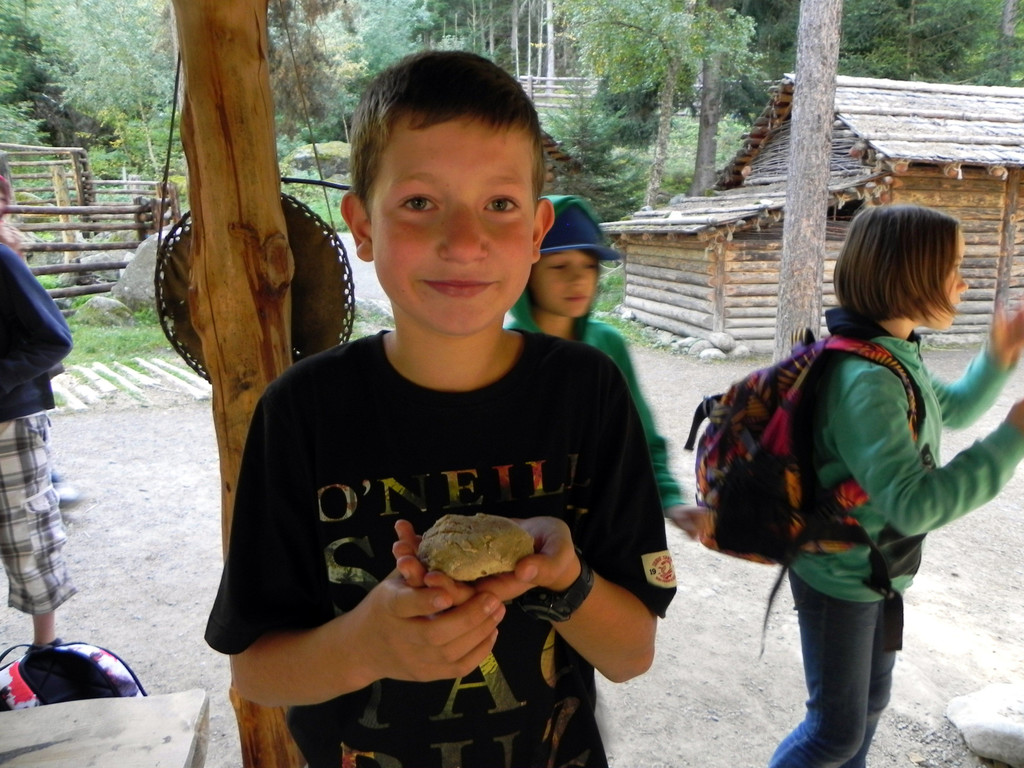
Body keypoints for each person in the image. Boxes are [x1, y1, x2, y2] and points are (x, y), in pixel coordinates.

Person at [204, 50, 676, 768]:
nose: (463, 241)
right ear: (362, 226)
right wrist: (366, 645)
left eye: (499, 204)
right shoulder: (302, 411)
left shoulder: (587, 392)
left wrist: (564, 578)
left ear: (537, 231)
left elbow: (631, 654)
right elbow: (258, 674)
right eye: (421, 203)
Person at [768, 203, 1024, 768]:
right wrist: (1011, 439)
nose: (963, 282)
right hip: (838, 577)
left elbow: (952, 408)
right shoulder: (868, 379)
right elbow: (911, 504)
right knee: (833, 734)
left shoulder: (891, 353)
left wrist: (997, 358)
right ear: (910, 277)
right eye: (953, 267)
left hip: (875, 570)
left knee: (868, 708)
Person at [506, 194, 694, 527]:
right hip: (528, 527)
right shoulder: (503, 350)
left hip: (605, 522)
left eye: (589, 265)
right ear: (526, 272)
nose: (578, 279)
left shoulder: (607, 345)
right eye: (559, 266)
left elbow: (638, 432)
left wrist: (669, 497)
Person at [0, 181, 76, 648]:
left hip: (9, 426)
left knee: (28, 539)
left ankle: (45, 653)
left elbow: (55, 339)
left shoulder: (2, 261)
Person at [0, 174, 80, 508]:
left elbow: (48, 331)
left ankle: (49, 479)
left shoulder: (6, 245)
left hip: (18, 379)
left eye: (2, 198)